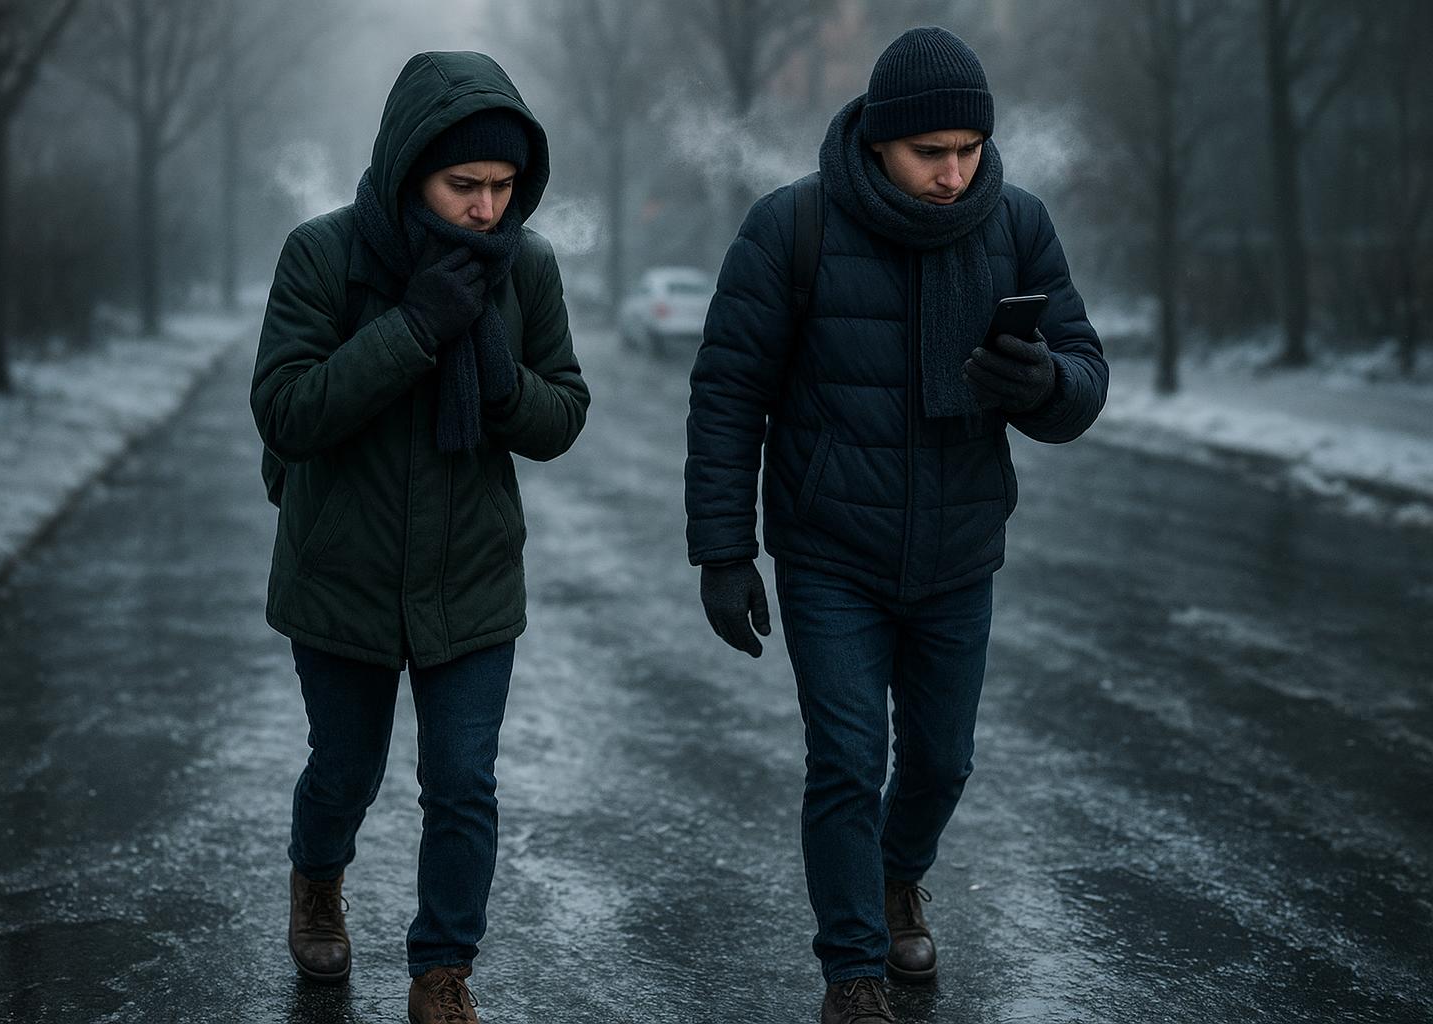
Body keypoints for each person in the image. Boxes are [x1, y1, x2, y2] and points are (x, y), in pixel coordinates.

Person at [685, 26, 1108, 1024]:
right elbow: (728, 396)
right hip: (831, 552)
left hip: (960, 553)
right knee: (845, 761)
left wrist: (1043, 382)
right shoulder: (792, 226)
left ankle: (896, 875)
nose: (954, 175)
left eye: (969, 150)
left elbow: (1084, 374)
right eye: (931, 154)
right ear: (879, 140)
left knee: (941, 760)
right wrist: (723, 551)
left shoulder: (1016, 223)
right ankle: (853, 973)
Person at [251, 50, 588, 1024]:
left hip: (470, 575)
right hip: (342, 574)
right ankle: (318, 879)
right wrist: (413, 329)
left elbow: (563, 414)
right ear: (410, 172)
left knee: (463, 782)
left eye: (504, 186)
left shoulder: (526, 269)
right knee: (344, 771)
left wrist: (502, 383)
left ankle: (443, 970)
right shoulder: (324, 256)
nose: (487, 208)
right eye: (464, 184)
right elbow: (287, 411)